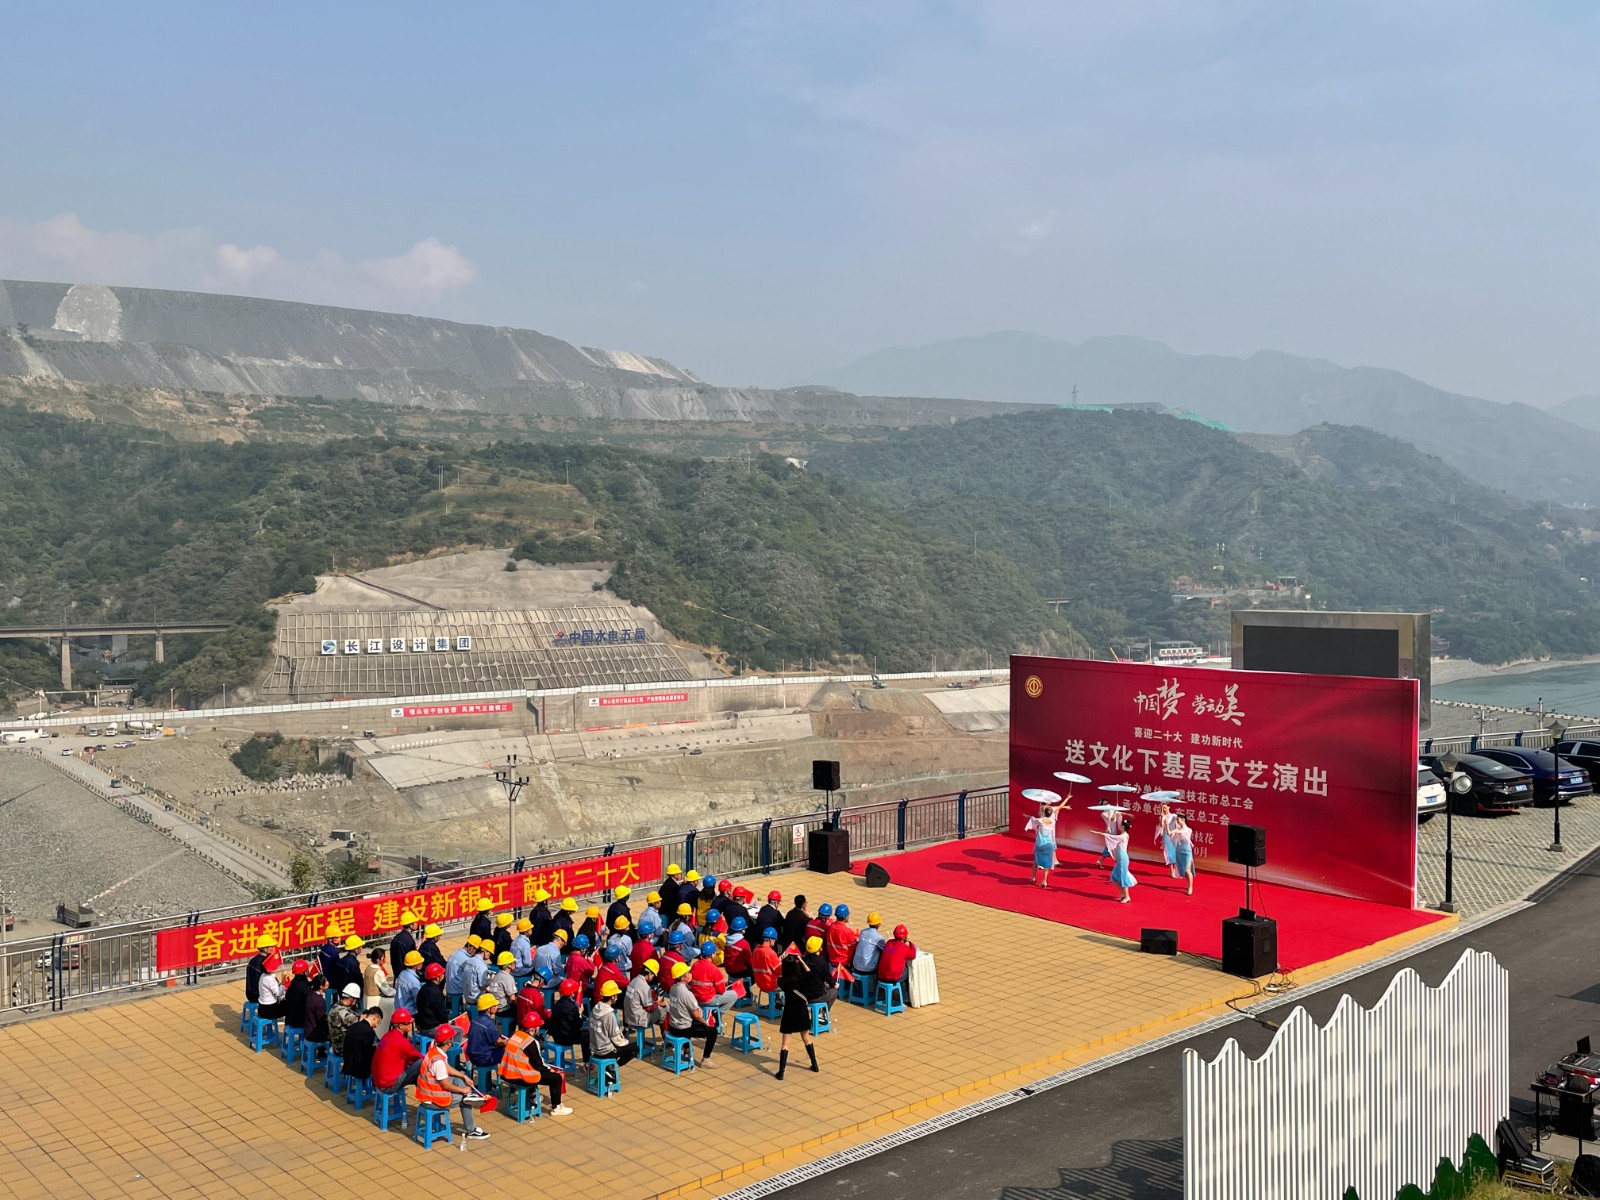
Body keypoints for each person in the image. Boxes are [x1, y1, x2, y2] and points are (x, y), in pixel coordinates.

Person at [415, 1024, 490, 1141]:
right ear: (449, 1042)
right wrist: (462, 1090)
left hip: (427, 1093)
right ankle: (471, 1130)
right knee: (465, 1100)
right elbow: (445, 1084)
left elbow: (447, 1068)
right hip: (433, 1099)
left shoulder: (433, 1050)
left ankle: (469, 1094)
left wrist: (463, 1076)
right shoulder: (438, 1062)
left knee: (459, 1079)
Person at [499, 1010, 573, 1116]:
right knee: (556, 1078)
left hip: (507, 1074)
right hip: (521, 1077)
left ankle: (532, 1095)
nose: (539, 1028)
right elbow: (539, 1065)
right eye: (538, 1026)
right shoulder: (531, 1042)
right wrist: (550, 1070)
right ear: (532, 1029)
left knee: (532, 1069)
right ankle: (556, 1107)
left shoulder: (515, 1035)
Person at [775, 948, 824, 1080]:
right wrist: (801, 960)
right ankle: (814, 1064)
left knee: (785, 1044)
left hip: (789, 1012)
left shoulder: (782, 981)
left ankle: (781, 1072)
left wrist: (780, 961)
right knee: (806, 1039)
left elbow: (775, 973)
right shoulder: (802, 978)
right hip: (802, 1011)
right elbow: (809, 972)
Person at [666, 960, 718, 1067]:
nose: (690, 974)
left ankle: (686, 1049)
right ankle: (706, 1059)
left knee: (690, 1019)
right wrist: (706, 1023)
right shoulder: (687, 994)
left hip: (673, 1026)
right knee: (713, 1032)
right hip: (683, 1029)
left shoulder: (672, 988)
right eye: (688, 973)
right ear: (684, 977)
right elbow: (697, 1016)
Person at [371, 1008, 423, 1096]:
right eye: (408, 1023)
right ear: (400, 1026)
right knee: (422, 1063)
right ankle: (427, 1096)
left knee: (417, 1072)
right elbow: (418, 1057)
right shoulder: (401, 1041)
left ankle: (424, 1095)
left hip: (379, 1081)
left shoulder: (387, 1036)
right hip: (388, 1085)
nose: (411, 1025)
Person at [588, 979, 637, 1068]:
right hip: (606, 1051)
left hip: (594, 1048)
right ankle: (613, 1067)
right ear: (613, 996)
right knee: (634, 1048)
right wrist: (626, 1042)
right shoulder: (609, 1014)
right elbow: (616, 1039)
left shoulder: (595, 1009)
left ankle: (611, 1067)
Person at [1025, 795, 1068, 887]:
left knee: (1035, 861)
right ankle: (1044, 881)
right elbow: (1060, 806)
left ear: (1043, 813)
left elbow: (1032, 820)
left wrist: (1027, 816)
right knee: (1047, 864)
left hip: (1039, 844)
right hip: (1049, 845)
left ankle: (1033, 877)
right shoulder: (1053, 821)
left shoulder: (1040, 820)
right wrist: (1067, 798)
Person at [690, 940, 737, 1018]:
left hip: (695, 997)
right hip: (708, 999)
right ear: (712, 955)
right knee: (734, 995)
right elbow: (721, 990)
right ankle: (718, 1014)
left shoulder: (695, 965)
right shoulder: (713, 969)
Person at [548, 978, 588, 1065]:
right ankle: (587, 1062)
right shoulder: (572, 1007)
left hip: (556, 1036)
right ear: (571, 993)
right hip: (566, 1038)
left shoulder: (557, 1004)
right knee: (586, 1035)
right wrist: (580, 1014)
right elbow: (578, 1025)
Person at [624, 958, 663, 1038]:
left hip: (628, 1016)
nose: (652, 978)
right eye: (653, 975)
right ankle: (667, 1040)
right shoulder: (645, 986)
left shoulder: (634, 980)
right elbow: (649, 1008)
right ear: (650, 974)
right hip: (638, 1019)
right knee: (663, 1012)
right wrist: (657, 1002)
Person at [342, 1007, 383, 1084]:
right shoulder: (369, 1031)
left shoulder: (354, 1025)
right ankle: (376, 1083)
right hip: (359, 1069)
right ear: (374, 1018)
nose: (377, 1025)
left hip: (348, 1063)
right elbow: (367, 1053)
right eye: (378, 1022)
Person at [467, 993, 507, 1070]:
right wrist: (508, 1043)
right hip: (483, 1058)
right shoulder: (489, 1024)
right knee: (507, 1052)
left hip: (472, 1056)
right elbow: (499, 1042)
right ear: (488, 1009)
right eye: (494, 1006)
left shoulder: (475, 1019)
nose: (496, 1007)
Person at [875, 925, 917, 990]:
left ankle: (881, 991)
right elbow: (913, 956)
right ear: (904, 937)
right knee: (907, 971)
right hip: (892, 977)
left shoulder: (889, 943)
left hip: (881, 975)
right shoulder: (904, 948)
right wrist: (911, 944)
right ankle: (904, 994)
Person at [328, 982, 364, 1056]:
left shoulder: (335, 1006)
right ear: (351, 999)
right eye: (356, 999)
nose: (356, 1001)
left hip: (336, 1045)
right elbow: (359, 1025)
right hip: (343, 1049)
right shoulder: (344, 1013)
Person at [802, 935, 838, 1008]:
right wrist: (835, 984)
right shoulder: (821, 962)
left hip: (803, 994)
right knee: (834, 991)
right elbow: (828, 978)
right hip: (817, 996)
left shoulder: (802, 960)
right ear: (820, 949)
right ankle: (825, 1011)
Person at [824, 905, 858, 980]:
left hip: (832, 961)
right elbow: (854, 946)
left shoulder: (831, 927)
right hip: (844, 962)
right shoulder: (847, 931)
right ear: (845, 917)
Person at [750, 928, 782, 1006]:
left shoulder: (756, 950)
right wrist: (780, 962)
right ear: (771, 939)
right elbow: (779, 971)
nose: (775, 942)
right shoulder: (771, 953)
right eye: (775, 940)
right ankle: (779, 1001)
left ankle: (777, 999)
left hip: (760, 983)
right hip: (771, 984)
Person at [284, 959, 316, 1035]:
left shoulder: (293, 984)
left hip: (289, 1018)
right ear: (304, 972)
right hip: (298, 1021)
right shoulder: (303, 986)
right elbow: (311, 999)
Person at [1109, 817, 1137, 903]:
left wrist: (1103, 834)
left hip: (1123, 859)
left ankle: (1127, 896)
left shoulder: (1124, 836)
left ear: (1123, 827)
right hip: (1120, 858)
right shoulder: (1123, 835)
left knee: (1123, 877)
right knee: (1114, 876)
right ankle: (1122, 894)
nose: (1119, 826)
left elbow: (1112, 837)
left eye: (1120, 825)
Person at [415, 962, 449, 1031]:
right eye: (442, 974)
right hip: (432, 1027)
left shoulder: (423, 988)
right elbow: (441, 1014)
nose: (443, 975)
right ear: (437, 978)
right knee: (459, 1030)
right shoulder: (436, 992)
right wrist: (447, 1022)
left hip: (423, 1024)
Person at [444, 937, 475, 1013]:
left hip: (449, 989)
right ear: (471, 947)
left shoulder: (455, 953)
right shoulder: (466, 959)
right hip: (458, 991)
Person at [388, 911, 421, 979]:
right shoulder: (409, 940)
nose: (416, 924)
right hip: (406, 974)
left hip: (397, 972)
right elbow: (412, 959)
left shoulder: (397, 937)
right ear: (411, 925)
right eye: (415, 922)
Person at [852, 913, 887, 978]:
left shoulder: (863, 932)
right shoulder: (878, 938)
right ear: (878, 924)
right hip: (868, 968)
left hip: (856, 965)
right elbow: (885, 949)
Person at [461, 938, 491, 1013]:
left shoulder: (469, 961)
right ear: (485, 951)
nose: (490, 956)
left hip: (467, 995)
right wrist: (490, 981)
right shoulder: (481, 965)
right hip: (475, 998)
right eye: (490, 953)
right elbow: (482, 985)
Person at [244, 934, 276, 1005]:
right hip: (258, 995)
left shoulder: (253, 960)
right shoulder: (265, 963)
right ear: (264, 949)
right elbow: (269, 981)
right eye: (271, 946)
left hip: (250, 993)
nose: (273, 948)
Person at [362, 947, 394, 1015]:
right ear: (379, 959)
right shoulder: (378, 972)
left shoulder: (368, 968)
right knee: (393, 1002)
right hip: (375, 1001)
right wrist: (395, 992)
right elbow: (386, 990)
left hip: (366, 999)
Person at [256, 950, 288, 1019]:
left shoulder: (263, 976)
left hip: (261, 1007)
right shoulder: (269, 979)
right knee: (288, 1005)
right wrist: (283, 980)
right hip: (269, 1010)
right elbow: (278, 993)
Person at [1171, 813, 1196, 896]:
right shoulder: (1178, 829)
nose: (1177, 821)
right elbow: (1171, 834)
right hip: (1179, 851)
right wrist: (1167, 826)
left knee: (1187, 870)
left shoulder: (1188, 830)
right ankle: (1189, 884)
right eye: (1177, 820)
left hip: (1187, 852)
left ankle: (1191, 887)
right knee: (1184, 871)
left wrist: (1175, 831)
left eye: (1178, 820)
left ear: (1183, 819)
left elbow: (1183, 832)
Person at [394, 950, 424, 1016]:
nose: (421, 963)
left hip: (399, 1010)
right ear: (414, 965)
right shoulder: (413, 980)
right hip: (410, 1012)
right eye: (419, 962)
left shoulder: (402, 973)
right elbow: (418, 999)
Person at [1155, 802, 1179, 878]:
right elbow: (1161, 826)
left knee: (1175, 853)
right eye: (1162, 808)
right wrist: (1162, 817)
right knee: (1169, 853)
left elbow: (1178, 826)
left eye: (1165, 808)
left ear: (1169, 807)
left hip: (1174, 836)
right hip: (1167, 837)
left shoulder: (1174, 816)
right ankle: (1171, 871)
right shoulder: (1162, 817)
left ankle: (1175, 870)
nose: (1164, 809)